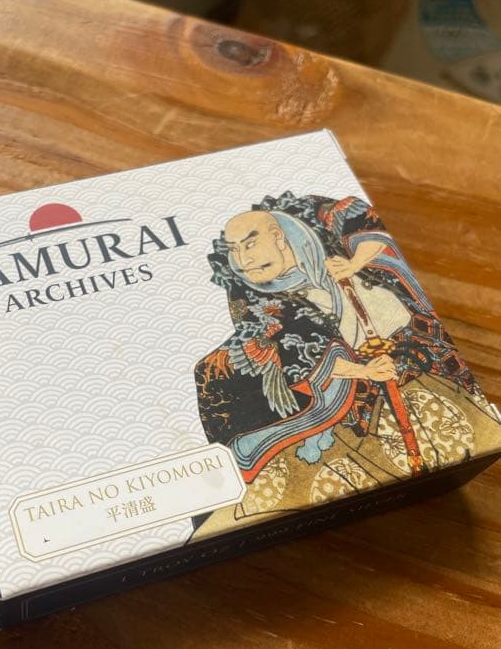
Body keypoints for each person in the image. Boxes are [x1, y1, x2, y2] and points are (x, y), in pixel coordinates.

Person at [191, 191, 500, 539]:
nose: (242, 260)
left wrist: (355, 263)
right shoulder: (250, 295)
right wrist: (364, 371)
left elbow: (363, 222)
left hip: (412, 344)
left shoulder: (313, 219)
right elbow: (289, 349)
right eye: (233, 251)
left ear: (278, 236)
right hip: (347, 375)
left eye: (250, 245)